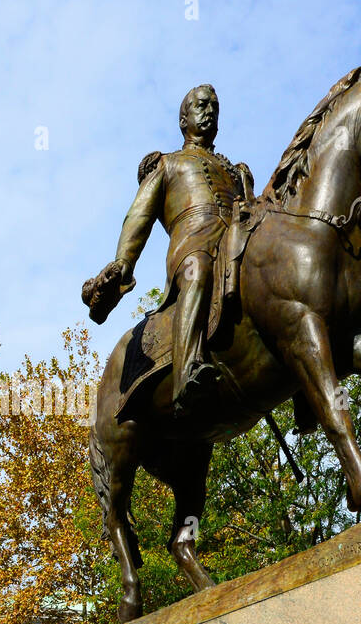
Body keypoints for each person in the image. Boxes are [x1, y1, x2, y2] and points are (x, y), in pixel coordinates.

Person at [84, 84, 253, 417]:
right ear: (183, 119)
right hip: (194, 245)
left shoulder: (236, 172)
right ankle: (188, 370)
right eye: (202, 106)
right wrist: (122, 265)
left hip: (236, 243)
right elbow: (138, 218)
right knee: (198, 270)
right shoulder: (167, 164)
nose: (209, 112)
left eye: (215, 108)